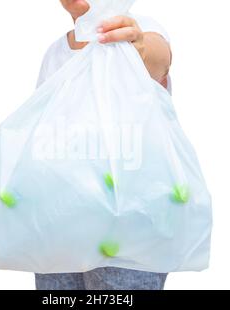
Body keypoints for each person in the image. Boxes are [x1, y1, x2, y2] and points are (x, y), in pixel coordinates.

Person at [35, 0, 173, 290]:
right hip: (61, 225)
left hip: (129, 224)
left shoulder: (140, 30)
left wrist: (137, 47)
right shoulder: (53, 53)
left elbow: (157, 58)